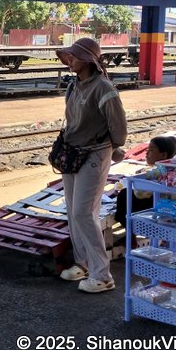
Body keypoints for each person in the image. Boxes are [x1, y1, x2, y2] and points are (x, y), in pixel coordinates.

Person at [55, 37, 128, 293]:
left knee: (83, 213)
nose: (69, 61)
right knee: (73, 211)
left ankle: (102, 275)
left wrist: (112, 147)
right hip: (72, 154)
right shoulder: (74, 86)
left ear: (87, 60)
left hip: (95, 155)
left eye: (74, 57)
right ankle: (83, 264)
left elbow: (119, 129)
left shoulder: (103, 88)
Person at [115, 135, 176, 228]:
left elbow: (141, 194)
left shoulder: (159, 172)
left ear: (164, 155)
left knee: (124, 195)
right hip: (166, 206)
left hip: (158, 207)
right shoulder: (171, 168)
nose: (147, 153)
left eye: (151, 150)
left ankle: (131, 234)